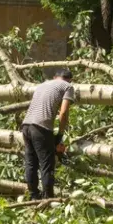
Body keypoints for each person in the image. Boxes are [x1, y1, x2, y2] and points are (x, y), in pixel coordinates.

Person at [20, 69, 74, 200]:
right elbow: (63, 113)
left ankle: (34, 197)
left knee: (31, 163)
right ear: (69, 79)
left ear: (55, 77)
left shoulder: (42, 85)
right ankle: (48, 200)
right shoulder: (68, 86)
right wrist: (59, 136)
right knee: (47, 165)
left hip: (26, 125)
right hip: (41, 127)